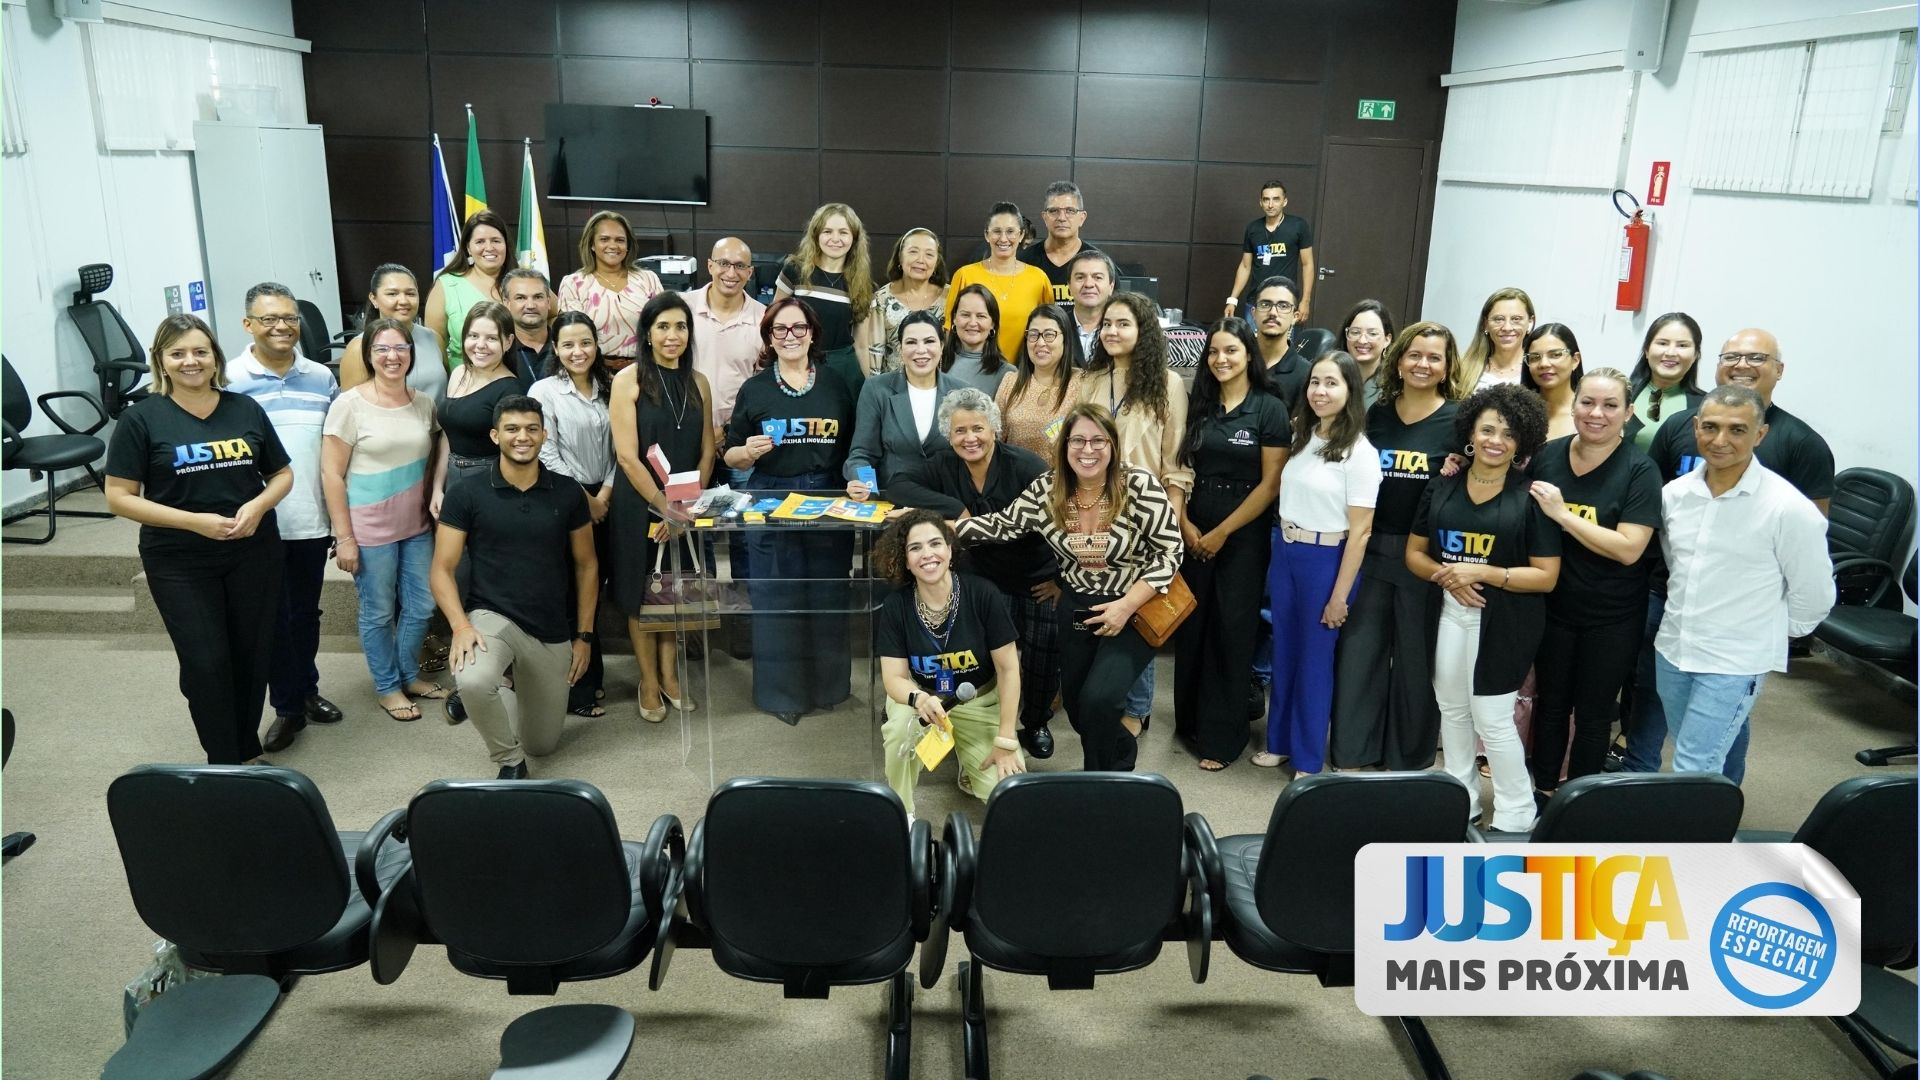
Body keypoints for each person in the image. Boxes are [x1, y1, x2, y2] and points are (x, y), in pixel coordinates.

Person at [1631, 333, 1836, 778]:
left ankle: (1703, 826)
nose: (1720, 439)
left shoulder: (1787, 508)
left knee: (1693, 765)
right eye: (1710, 427)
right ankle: (1723, 817)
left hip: (1734, 659)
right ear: (1696, 428)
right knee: (1699, 750)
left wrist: (1766, 634)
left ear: (1759, 434)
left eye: (1737, 430)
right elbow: (1676, 565)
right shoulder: (1675, 496)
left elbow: (1816, 593)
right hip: (1675, 646)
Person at [104, 314, 293, 765]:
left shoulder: (244, 409)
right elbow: (118, 497)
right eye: (178, 353)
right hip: (178, 560)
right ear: (161, 361)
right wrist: (193, 522)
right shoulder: (141, 419)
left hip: (253, 550)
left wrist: (258, 506)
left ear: (215, 358)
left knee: (250, 656)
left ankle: (244, 752)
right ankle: (222, 761)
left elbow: (282, 474)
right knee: (205, 662)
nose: (191, 361)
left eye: (200, 351)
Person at [956, 404, 1184, 772]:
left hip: (1135, 609)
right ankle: (1122, 754)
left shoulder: (1139, 485)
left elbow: (1171, 552)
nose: (1087, 450)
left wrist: (1126, 605)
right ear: (1064, 446)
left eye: (1098, 441)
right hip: (1076, 607)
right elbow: (1001, 525)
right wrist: (936, 529)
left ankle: (1098, 783)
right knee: (1078, 709)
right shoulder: (1048, 490)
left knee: (1099, 700)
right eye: (1078, 440)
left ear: (1112, 445)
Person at [1407, 384, 1561, 834]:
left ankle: (1517, 811)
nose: (1497, 440)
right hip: (1448, 613)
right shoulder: (1442, 485)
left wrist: (1484, 573)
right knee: (1452, 709)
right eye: (1488, 429)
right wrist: (1449, 577)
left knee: (1492, 718)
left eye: (1509, 434)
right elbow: (1414, 555)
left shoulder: (1530, 497)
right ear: (1470, 433)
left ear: (1522, 442)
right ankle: (1463, 798)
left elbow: (1547, 576)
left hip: (1506, 620)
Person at [432, 395, 600, 779]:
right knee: (474, 679)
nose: (522, 437)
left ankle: (494, 695)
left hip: (550, 626)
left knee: (541, 744)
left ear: (544, 435)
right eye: (511, 429)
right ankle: (510, 762)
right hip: (492, 615)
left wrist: (584, 637)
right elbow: (441, 569)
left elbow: (587, 565)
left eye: (531, 429)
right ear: (495, 436)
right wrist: (460, 626)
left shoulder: (567, 492)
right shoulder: (467, 492)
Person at [889, 388, 1060, 758]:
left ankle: (1035, 722)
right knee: (986, 659)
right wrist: (954, 506)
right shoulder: (943, 464)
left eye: (978, 428)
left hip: (1036, 579)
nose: (970, 438)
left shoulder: (1027, 466)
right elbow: (897, 483)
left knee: (1041, 658)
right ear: (948, 436)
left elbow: (1064, 519)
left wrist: (1060, 579)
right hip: (982, 581)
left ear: (994, 428)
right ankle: (983, 724)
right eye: (960, 431)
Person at [1524, 367, 1662, 794]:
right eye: (1587, 402)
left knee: (1593, 714)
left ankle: (1580, 801)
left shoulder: (1641, 471)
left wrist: (1562, 514)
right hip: (1553, 609)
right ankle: (1544, 792)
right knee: (1550, 706)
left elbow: (1629, 548)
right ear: (1574, 405)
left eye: (1610, 405)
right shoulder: (1547, 456)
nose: (1596, 414)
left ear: (1628, 413)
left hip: (1612, 616)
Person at [1329, 322, 1460, 770]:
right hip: (1369, 548)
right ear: (1398, 361)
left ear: (1447, 366)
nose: (1423, 364)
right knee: (1358, 655)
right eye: (1414, 355)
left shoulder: (1459, 421)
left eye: (1434, 357)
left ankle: (1408, 761)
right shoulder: (1375, 416)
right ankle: (1352, 752)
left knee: (1416, 662)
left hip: (1424, 556)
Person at [723, 298, 858, 724]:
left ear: (812, 333)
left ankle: (828, 688)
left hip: (827, 497)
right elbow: (730, 454)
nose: (790, 336)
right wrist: (746, 452)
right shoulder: (755, 389)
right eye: (779, 329)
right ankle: (783, 695)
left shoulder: (836, 384)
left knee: (828, 594)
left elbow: (854, 448)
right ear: (769, 337)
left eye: (798, 327)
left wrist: (859, 482)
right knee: (776, 597)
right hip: (771, 497)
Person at [224, 282, 343, 753]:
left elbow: (333, 451)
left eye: (290, 318)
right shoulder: (228, 378)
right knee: (270, 617)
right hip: (255, 520)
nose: (282, 327)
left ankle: (305, 689)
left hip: (310, 515)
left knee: (305, 613)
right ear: (248, 324)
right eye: (269, 318)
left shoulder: (321, 377)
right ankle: (287, 707)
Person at [1171, 318, 1288, 771]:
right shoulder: (1200, 404)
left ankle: (1222, 738)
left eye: (1231, 350)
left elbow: (1271, 484)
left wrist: (1222, 533)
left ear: (1248, 355)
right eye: (1214, 352)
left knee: (1230, 630)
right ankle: (1190, 724)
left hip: (1243, 536)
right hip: (1194, 530)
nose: (1221, 359)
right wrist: (1185, 523)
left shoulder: (1268, 408)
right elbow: (1182, 467)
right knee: (1193, 626)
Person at [1256, 351, 1381, 774]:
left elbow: (1361, 532)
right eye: (1315, 382)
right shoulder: (1303, 436)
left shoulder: (1360, 453)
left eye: (1332, 383)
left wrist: (1339, 596)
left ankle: (1308, 759)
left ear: (1350, 390)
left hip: (1326, 561)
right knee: (1284, 653)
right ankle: (1279, 742)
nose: (1320, 391)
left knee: (1313, 662)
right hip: (1287, 553)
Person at [320, 316, 444, 723]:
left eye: (401, 348)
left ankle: (408, 675)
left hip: (416, 524)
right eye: (382, 349)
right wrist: (344, 537)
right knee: (378, 611)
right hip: (369, 528)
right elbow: (331, 474)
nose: (393, 356)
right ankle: (388, 686)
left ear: (412, 353)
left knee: (422, 605)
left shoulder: (423, 403)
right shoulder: (348, 405)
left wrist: (437, 488)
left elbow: (440, 444)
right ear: (368, 355)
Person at [1080, 291, 1192, 739]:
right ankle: (1103, 693)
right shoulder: (1091, 380)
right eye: (1107, 323)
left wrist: (1172, 521)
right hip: (1094, 509)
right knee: (1104, 601)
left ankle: (1137, 706)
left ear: (1143, 330)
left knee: (1139, 608)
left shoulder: (1168, 384)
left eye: (1123, 323)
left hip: (1146, 514)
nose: (1112, 331)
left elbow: (1175, 458)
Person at [874, 511, 1026, 821]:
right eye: (915, 548)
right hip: (923, 698)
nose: (927, 554)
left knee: (1009, 797)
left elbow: (1009, 669)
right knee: (900, 733)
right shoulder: (896, 606)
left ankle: (969, 762)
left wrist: (1006, 739)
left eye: (935, 544)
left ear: (950, 550)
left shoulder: (983, 593)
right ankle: (901, 814)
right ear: (905, 560)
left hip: (978, 700)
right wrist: (919, 699)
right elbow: (894, 678)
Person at [609, 293, 717, 722]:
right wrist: (662, 507)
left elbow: (707, 451)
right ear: (647, 334)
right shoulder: (629, 380)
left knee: (673, 593)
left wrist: (684, 507)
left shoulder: (699, 382)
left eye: (681, 326)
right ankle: (648, 682)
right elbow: (626, 456)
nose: (673, 335)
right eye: (663, 327)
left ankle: (671, 677)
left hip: (685, 503)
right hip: (639, 503)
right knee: (641, 593)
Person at [530, 309, 616, 718]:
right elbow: (545, 452)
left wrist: (606, 493)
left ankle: (592, 677)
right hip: (564, 500)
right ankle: (575, 691)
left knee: (595, 591)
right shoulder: (544, 391)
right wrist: (587, 500)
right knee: (571, 593)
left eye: (585, 342)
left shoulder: (610, 387)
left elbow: (623, 447)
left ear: (596, 345)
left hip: (610, 497)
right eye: (568, 344)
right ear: (555, 348)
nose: (578, 351)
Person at [432, 302, 529, 517]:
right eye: (473, 336)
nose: (480, 345)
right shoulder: (459, 373)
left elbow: (516, 452)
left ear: (508, 342)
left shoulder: (511, 390)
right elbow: (448, 434)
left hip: (489, 481)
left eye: (491, 338)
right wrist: (438, 487)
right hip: (452, 476)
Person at [845, 311, 956, 497]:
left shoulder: (961, 391)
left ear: (942, 346)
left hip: (948, 501)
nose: (921, 350)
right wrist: (865, 486)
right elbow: (862, 454)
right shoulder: (876, 389)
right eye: (911, 342)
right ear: (900, 348)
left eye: (929, 341)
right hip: (892, 499)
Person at [775, 202, 874, 394]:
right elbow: (773, 322)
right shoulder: (795, 270)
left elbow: (862, 345)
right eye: (827, 231)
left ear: (854, 238)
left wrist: (869, 389)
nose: (835, 239)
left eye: (843, 232)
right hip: (797, 363)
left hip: (843, 370)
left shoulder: (863, 284)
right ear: (816, 235)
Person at [556, 210, 665, 372]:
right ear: (592, 244)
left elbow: (663, 327)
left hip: (645, 370)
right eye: (604, 239)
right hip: (593, 371)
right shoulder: (573, 284)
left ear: (628, 245)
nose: (613, 245)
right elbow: (572, 338)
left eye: (620, 240)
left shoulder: (648, 279)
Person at [946, 201, 1054, 362]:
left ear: (1021, 235)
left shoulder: (1039, 279)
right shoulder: (965, 275)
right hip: (973, 372)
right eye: (997, 231)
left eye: (1010, 231)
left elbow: (1049, 331)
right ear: (986, 235)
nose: (1003, 238)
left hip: (1024, 372)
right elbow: (949, 331)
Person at [339, 263, 447, 403]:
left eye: (410, 293)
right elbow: (351, 408)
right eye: (392, 294)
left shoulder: (433, 338)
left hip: (438, 418)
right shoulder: (359, 348)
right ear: (374, 299)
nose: (403, 301)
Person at [995, 304, 1084, 460]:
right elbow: (995, 439)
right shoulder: (1010, 381)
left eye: (1049, 335)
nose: (1040, 342)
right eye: (1033, 334)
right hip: (1015, 473)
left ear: (1065, 339)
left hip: (1063, 474)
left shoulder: (1083, 382)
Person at [424, 209, 510, 370]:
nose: (489, 247)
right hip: (464, 378)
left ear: (506, 244)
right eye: (480, 242)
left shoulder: (522, 281)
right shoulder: (447, 285)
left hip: (518, 377)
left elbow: (554, 312)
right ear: (468, 248)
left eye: (496, 241)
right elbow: (435, 341)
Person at [858, 227, 947, 375]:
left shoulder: (950, 297)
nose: (921, 260)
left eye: (929, 254)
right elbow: (874, 352)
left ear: (937, 262)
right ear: (900, 257)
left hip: (942, 385)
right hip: (893, 385)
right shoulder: (881, 299)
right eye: (913, 252)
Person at [1225, 180, 1315, 322]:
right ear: (1261, 202)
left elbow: (1307, 264)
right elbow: (1245, 266)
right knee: (1251, 337)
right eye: (1266, 199)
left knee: (1282, 337)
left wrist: (1306, 300)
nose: (1270, 204)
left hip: (1285, 302)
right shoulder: (1253, 228)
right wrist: (1232, 300)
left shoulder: (1298, 226)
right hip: (1256, 302)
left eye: (1276, 199)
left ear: (1284, 201)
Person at [1624, 312, 1707, 450]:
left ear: (1695, 355)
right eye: (1662, 343)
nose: (1671, 353)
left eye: (1682, 345)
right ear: (1647, 350)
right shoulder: (1621, 394)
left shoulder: (1706, 406)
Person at [1453, 286, 1534, 396]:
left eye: (1516, 319)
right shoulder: (1463, 370)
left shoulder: (1536, 370)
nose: (1507, 328)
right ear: (1485, 324)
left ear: (1530, 322)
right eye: (1499, 319)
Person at [1020, 181, 1090, 303]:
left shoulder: (1100, 264)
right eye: (1054, 211)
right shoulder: (1023, 262)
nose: (1062, 218)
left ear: (1082, 218)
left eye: (1070, 211)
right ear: (1044, 217)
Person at [941, 284, 1014, 398]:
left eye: (981, 316)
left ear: (992, 323)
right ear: (954, 318)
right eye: (965, 315)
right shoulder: (936, 362)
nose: (972, 323)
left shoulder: (1007, 374)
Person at [1250, 276, 1309, 412]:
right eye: (1265, 304)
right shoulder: (1237, 362)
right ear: (1254, 313)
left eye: (1283, 306)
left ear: (1295, 317)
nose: (1273, 312)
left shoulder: (1305, 374)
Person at [1521, 322, 1583, 441]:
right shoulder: (1518, 412)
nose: (1544, 364)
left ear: (1575, 360)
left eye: (1555, 355)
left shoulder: (1588, 415)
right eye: (1535, 357)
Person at [502, 269, 556, 385]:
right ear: (506, 303)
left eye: (538, 297)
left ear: (548, 302)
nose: (531, 305)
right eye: (521, 298)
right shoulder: (499, 351)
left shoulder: (566, 345)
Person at [1340, 299, 1397, 409]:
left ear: (1387, 339)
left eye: (1372, 334)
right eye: (1355, 332)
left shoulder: (1394, 387)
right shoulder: (1331, 376)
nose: (1362, 340)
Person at [1067, 248, 1117, 359]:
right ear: (1069, 286)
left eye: (1098, 277)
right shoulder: (1056, 327)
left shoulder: (1122, 331)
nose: (1088, 284)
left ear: (1111, 286)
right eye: (1080, 277)